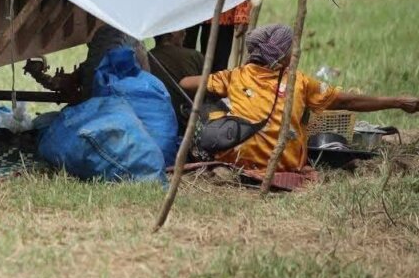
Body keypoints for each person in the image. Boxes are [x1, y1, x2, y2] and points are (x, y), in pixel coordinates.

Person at [179, 23, 418, 173]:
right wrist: (396, 101)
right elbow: (347, 101)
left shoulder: (235, 76)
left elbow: (185, 84)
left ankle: (220, 161)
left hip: (239, 160)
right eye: (292, 49)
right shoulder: (300, 82)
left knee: (210, 110)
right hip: (284, 162)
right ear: (282, 56)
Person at [148, 28, 204, 129]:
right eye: (182, 28)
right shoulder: (194, 56)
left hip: (156, 122)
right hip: (188, 123)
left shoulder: (146, 58)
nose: (185, 33)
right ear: (172, 32)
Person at [183, 0, 252, 72]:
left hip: (222, 9)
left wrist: (242, 11)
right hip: (185, 5)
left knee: (216, 69)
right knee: (181, 62)